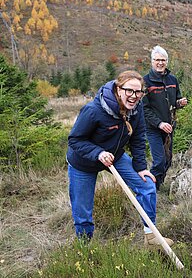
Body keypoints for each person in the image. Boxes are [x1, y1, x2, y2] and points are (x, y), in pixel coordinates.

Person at [67, 70, 173, 248]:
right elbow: (75, 140)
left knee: (147, 185)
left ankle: (151, 236)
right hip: (83, 163)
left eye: (138, 92)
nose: (134, 96)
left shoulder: (136, 108)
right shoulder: (94, 110)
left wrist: (140, 167)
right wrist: (98, 153)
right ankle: (84, 247)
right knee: (83, 209)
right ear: (118, 89)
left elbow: (138, 138)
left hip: (114, 156)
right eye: (129, 91)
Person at [143, 46, 188, 191]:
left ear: (167, 62)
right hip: (153, 128)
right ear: (152, 61)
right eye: (157, 60)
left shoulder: (172, 79)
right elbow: (144, 109)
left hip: (169, 128)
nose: (160, 63)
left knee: (168, 160)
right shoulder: (145, 82)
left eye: (163, 60)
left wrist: (180, 103)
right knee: (159, 161)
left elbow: (175, 101)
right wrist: (159, 123)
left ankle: (158, 185)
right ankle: (149, 189)